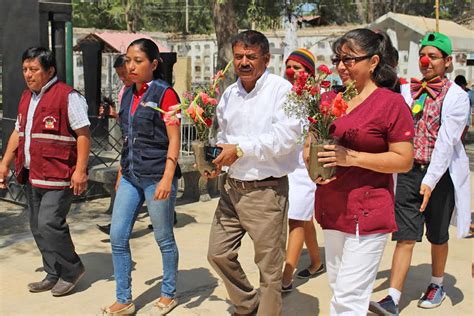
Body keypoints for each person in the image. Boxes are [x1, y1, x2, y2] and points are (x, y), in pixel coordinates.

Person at [306, 29, 415, 314]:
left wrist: (351, 158)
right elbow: (311, 146)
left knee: (348, 300)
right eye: (338, 59)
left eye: (349, 59)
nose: (341, 66)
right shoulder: (329, 100)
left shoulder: (391, 105)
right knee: (339, 288)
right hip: (332, 208)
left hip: (367, 215)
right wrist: (312, 164)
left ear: (374, 61)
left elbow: (404, 160)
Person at [370, 32, 471, 315]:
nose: (425, 61)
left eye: (433, 56)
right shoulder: (406, 90)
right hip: (409, 172)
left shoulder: (458, 97)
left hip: (441, 177)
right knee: (404, 235)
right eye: (423, 56)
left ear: (448, 62)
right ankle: (392, 297)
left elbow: (446, 142)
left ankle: (437, 283)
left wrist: (429, 182)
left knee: (438, 235)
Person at [206, 30, 301, 316]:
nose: (244, 62)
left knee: (270, 272)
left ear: (266, 59)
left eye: (251, 56)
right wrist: (218, 160)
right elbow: (223, 135)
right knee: (218, 253)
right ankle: (247, 304)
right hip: (232, 189)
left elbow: (285, 138)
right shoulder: (229, 94)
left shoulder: (281, 91)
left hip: (266, 192)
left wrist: (240, 148)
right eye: (238, 56)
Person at [0, 47, 90, 296]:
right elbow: (19, 133)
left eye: (34, 69)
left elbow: (83, 134)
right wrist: (5, 162)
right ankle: (53, 272)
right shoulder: (26, 97)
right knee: (37, 226)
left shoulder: (68, 97)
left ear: (50, 71)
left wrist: (80, 170)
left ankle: (72, 269)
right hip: (32, 173)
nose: (28, 75)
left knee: (50, 222)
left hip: (59, 173)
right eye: (25, 70)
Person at [103, 38, 181, 315]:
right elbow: (128, 138)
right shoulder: (126, 94)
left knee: (163, 238)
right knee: (117, 237)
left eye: (138, 61)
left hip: (157, 176)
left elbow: (174, 139)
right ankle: (124, 299)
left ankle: (168, 293)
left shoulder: (165, 94)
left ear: (154, 63)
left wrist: (167, 178)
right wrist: (121, 173)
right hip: (131, 175)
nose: (131, 66)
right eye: (128, 60)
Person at [281, 48, 324, 292]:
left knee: (296, 218)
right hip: (284, 165)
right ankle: (316, 261)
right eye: (289, 66)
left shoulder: (316, 98)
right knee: (303, 218)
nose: (291, 71)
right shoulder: (281, 94)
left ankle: (287, 274)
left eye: (297, 68)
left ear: (308, 72)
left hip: (304, 167)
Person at [96, 54, 134, 235]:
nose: (122, 78)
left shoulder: (144, 90)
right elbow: (125, 119)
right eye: (119, 74)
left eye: (124, 73)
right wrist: (113, 114)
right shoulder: (124, 91)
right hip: (128, 148)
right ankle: (118, 228)